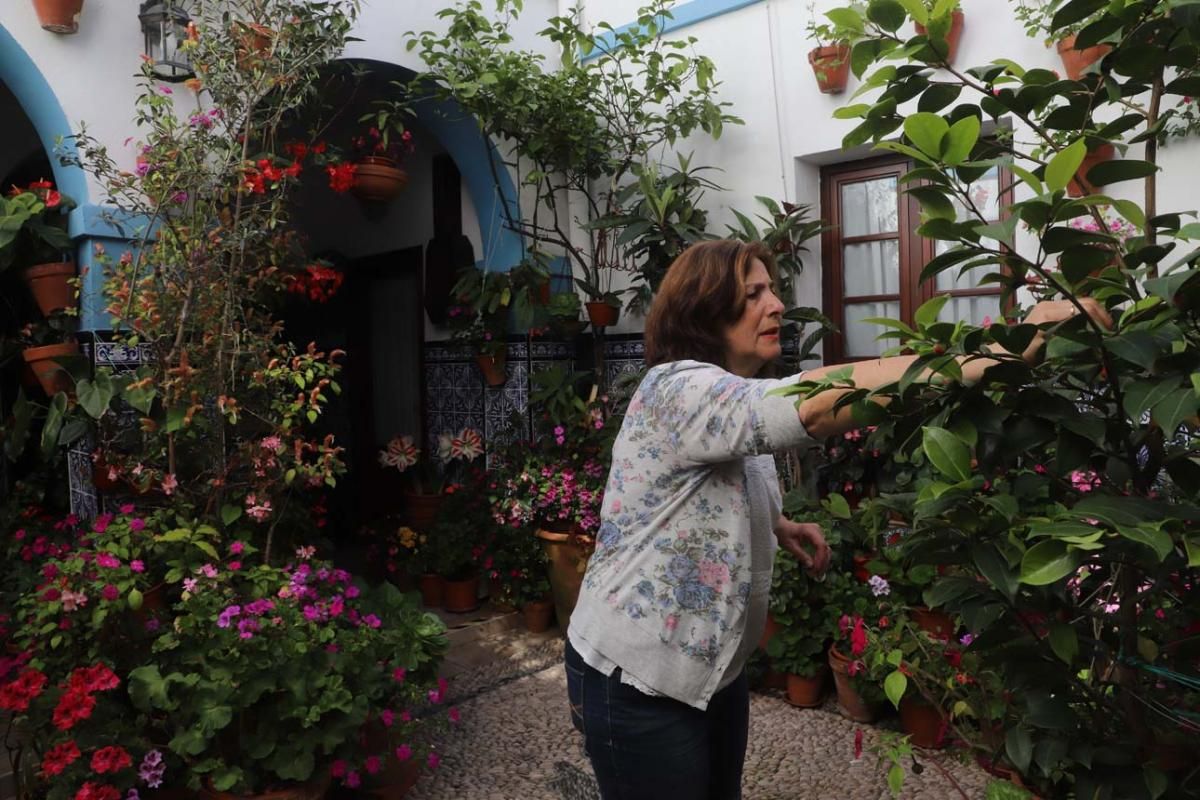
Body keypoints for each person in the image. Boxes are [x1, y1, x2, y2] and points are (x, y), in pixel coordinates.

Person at [564, 239, 1109, 799]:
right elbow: (818, 404)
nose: (776, 305)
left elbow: (705, 484)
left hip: (709, 669)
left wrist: (779, 526)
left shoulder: (724, 396)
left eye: (772, 290)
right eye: (753, 294)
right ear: (703, 311)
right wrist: (997, 352)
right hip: (637, 678)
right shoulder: (677, 390)